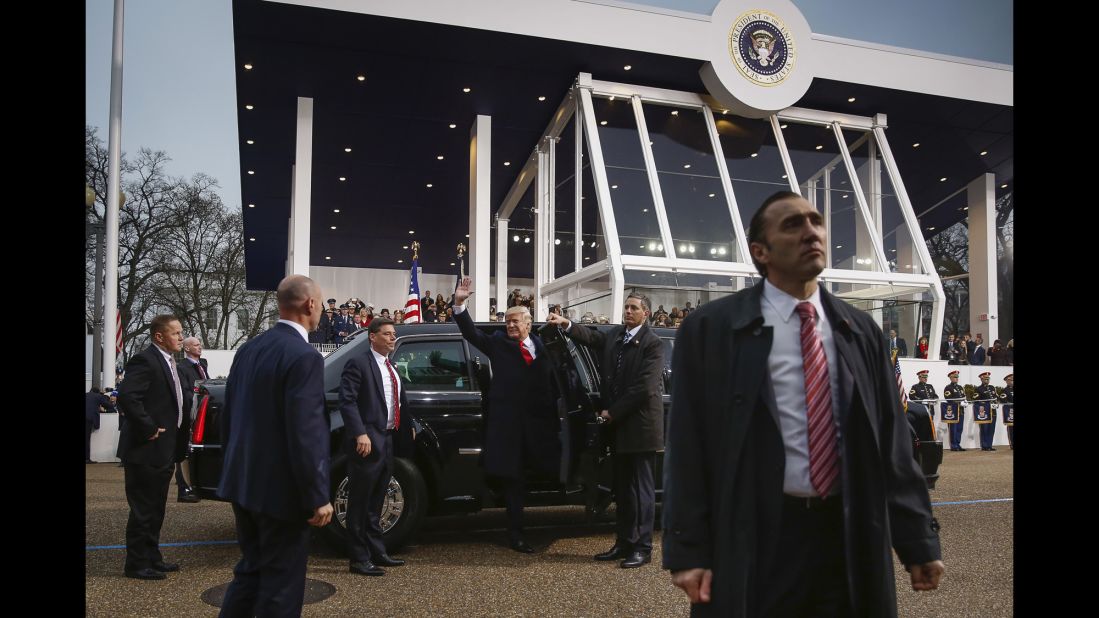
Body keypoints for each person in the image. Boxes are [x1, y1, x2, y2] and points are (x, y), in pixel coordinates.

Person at [662, 191, 943, 616]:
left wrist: (917, 539)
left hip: (847, 536)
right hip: (758, 539)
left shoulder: (860, 330)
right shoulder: (711, 329)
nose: (812, 231)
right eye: (792, 225)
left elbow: (893, 443)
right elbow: (687, 444)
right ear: (761, 251)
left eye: (816, 221)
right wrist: (688, 549)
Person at [218, 275, 333, 617]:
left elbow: (230, 415)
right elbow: (305, 432)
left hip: (244, 483)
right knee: (281, 587)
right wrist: (317, 494)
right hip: (281, 494)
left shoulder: (249, 349)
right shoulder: (304, 356)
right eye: (322, 303)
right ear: (310, 304)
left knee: (251, 572)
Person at [546, 293, 664, 568]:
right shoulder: (616, 335)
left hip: (640, 427)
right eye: (626, 307)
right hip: (619, 428)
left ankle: (642, 547)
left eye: (634, 308)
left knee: (640, 491)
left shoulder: (653, 344)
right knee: (621, 490)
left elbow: (644, 388)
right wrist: (566, 324)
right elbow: (592, 338)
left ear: (645, 313)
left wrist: (612, 411)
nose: (628, 311)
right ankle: (623, 543)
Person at [452, 276, 559, 552]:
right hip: (508, 428)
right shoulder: (498, 343)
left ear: (528, 323)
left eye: (515, 321)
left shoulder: (543, 345)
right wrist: (460, 305)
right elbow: (471, 334)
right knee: (513, 482)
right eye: (507, 321)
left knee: (539, 475)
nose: (510, 325)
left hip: (538, 429)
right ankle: (516, 534)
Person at [116, 314, 187, 580]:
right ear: (159, 336)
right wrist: (148, 427)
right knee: (143, 510)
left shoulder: (169, 362)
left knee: (156, 509)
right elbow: (127, 395)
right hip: (145, 449)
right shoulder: (145, 360)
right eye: (175, 333)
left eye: (181, 333)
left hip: (164, 450)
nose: (181, 337)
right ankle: (135, 564)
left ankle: (152, 557)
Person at [338, 317, 409, 576]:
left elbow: (399, 403)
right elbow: (347, 401)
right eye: (388, 334)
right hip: (367, 442)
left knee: (377, 500)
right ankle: (358, 559)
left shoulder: (392, 368)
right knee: (359, 502)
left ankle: (377, 551)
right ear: (372, 336)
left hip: (388, 440)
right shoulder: (358, 364)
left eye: (394, 334)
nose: (393, 338)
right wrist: (360, 433)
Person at [175, 336, 209, 503]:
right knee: (184, 453)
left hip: (201, 413)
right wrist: (199, 401)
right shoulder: (182, 367)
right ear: (187, 348)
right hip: (190, 413)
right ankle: (183, 489)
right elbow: (185, 391)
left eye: (199, 344)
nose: (199, 347)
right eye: (196, 345)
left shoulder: (202, 365)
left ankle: (195, 486)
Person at [85, 386, 115, 463]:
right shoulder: (98, 396)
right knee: (86, 439)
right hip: (89, 418)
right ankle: (87, 459)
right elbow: (109, 406)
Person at [941, 370, 967, 451]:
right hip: (953, 412)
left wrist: (964, 402)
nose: (956, 379)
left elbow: (963, 396)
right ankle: (953, 445)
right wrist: (959, 402)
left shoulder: (960, 387)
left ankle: (958, 444)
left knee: (959, 429)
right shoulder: (948, 388)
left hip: (961, 411)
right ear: (950, 378)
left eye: (957, 377)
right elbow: (948, 398)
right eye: (955, 377)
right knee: (953, 429)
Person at [974, 371, 998, 451]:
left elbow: (995, 397)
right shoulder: (978, 389)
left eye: (988, 379)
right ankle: (984, 445)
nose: (987, 380)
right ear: (981, 379)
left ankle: (989, 445)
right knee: (984, 428)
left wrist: (996, 403)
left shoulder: (992, 387)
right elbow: (976, 400)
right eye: (985, 379)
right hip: (984, 412)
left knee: (991, 429)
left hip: (993, 411)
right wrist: (986, 404)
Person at [1000, 373, 1014, 449]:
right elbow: (1003, 400)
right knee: (1011, 428)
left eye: (1012, 380)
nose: (1012, 381)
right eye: (1010, 380)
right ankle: (1012, 443)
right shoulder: (1005, 390)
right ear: (1007, 381)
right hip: (1010, 411)